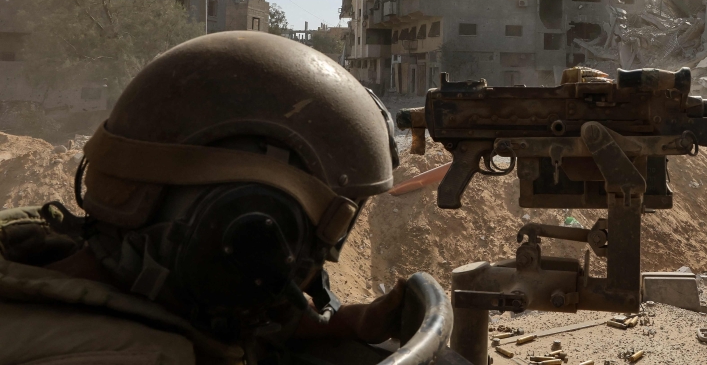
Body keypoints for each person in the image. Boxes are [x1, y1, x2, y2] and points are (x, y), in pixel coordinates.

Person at [0, 32, 408, 365]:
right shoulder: (140, 356)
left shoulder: (42, 251)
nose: (305, 268)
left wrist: (336, 325)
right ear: (241, 229)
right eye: (308, 245)